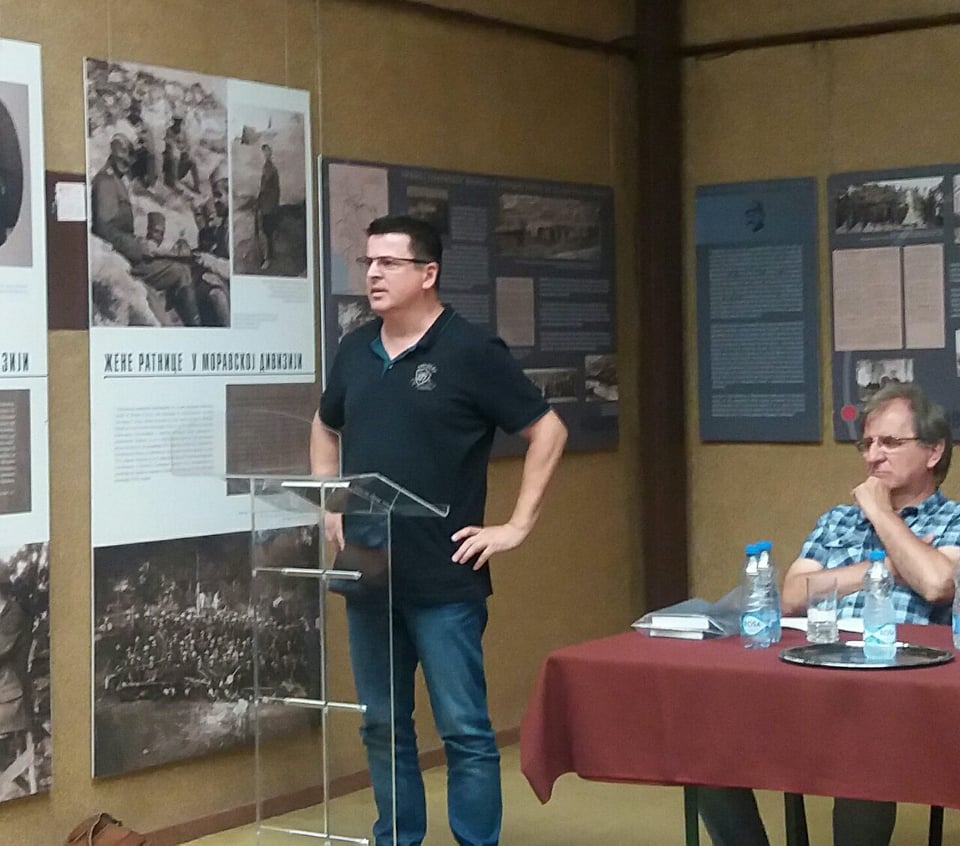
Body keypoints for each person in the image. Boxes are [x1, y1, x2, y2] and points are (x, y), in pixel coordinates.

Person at [310, 215, 568, 846]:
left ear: (428, 274)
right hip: (370, 570)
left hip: (445, 576)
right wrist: (330, 501)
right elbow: (325, 424)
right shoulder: (355, 350)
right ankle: (396, 838)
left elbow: (548, 431)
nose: (373, 274)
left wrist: (515, 526)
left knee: (464, 730)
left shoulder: (470, 352)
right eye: (369, 262)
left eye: (388, 263)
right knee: (381, 725)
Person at [699, 381, 960, 846]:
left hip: (894, 690)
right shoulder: (837, 520)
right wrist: (889, 568)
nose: (873, 456)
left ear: (934, 451)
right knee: (705, 743)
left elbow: (938, 583)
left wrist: (881, 514)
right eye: (868, 443)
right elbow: (793, 595)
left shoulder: (952, 521)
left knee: (864, 757)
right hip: (811, 669)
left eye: (890, 442)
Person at [91, 134, 202, 327]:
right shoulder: (106, 182)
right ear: (113, 155)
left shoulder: (116, 180)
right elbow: (104, 228)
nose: (127, 164)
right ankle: (194, 328)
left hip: (127, 253)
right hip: (121, 260)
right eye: (123, 159)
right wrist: (137, 247)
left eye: (129, 160)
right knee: (181, 272)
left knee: (182, 267)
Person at [162, 112, 200, 193]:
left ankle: (196, 186)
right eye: (176, 122)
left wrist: (184, 150)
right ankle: (175, 184)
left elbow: (187, 145)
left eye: (179, 122)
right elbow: (169, 143)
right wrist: (177, 146)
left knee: (192, 162)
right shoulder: (169, 131)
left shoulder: (183, 132)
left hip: (180, 158)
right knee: (175, 157)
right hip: (170, 162)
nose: (178, 124)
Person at [256, 143, 280, 270]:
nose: (264, 154)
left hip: (269, 205)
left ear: (269, 153)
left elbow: (265, 188)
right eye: (263, 152)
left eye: (266, 151)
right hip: (267, 204)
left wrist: (259, 201)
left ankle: (267, 259)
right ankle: (269, 257)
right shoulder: (267, 167)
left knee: (266, 232)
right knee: (267, 232)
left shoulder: (270, 168)